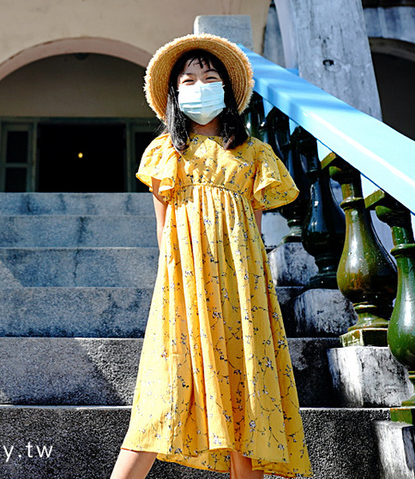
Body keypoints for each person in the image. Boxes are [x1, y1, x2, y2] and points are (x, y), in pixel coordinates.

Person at [109, 34, 312, 479]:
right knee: (162, 393)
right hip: (184, 284)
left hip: (242, 289)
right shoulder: (166, 150)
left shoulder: (254, 152)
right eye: (189, 80)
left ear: (227, 90)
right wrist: (174, 282)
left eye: (210, 77)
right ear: (175, 96)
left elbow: (253, 232)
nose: (200, 85)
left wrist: (254, 288)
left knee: (245, 392)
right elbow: (164, 231)